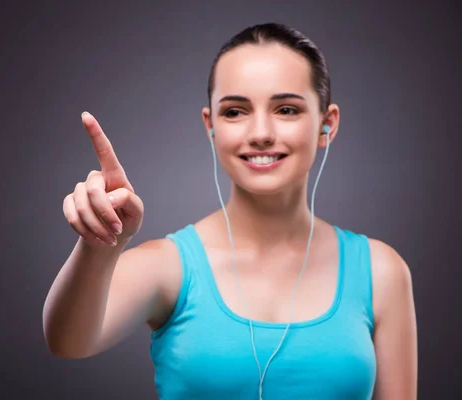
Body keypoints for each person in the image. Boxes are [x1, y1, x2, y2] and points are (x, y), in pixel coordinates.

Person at [43, 23, 418, 399]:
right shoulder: (170, 267)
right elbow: (68, 341)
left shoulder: (381, 272)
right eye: (236, 111)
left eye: (286, 109)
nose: (260, 133)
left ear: (326, 124)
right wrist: (100, 244)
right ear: (211, 126)